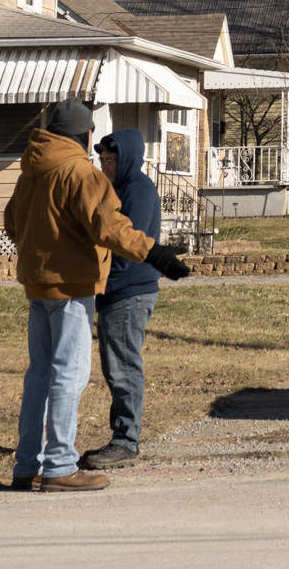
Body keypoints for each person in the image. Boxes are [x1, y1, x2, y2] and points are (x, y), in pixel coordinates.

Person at [3, 98, 191, 493]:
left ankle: (27, 466)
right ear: (85, 135)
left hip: (37, 287)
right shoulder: (80, 174)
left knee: (39, 374)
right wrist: (157, 255)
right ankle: (58, 466)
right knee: (68, 375)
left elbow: (11, 224)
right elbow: (112, 228)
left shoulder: (29, 173)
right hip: (72, 289)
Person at [82, 126, 166, 470]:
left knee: (123, 367)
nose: (106, 166)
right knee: (116, 365)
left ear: (128, 158)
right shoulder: (116, 188)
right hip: (119, 291)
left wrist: (104, 283)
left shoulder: (138, 190)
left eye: (112, 160)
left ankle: (125, 441)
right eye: (102, 159)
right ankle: (122, 436)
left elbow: (131, 247)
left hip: (130, 292)